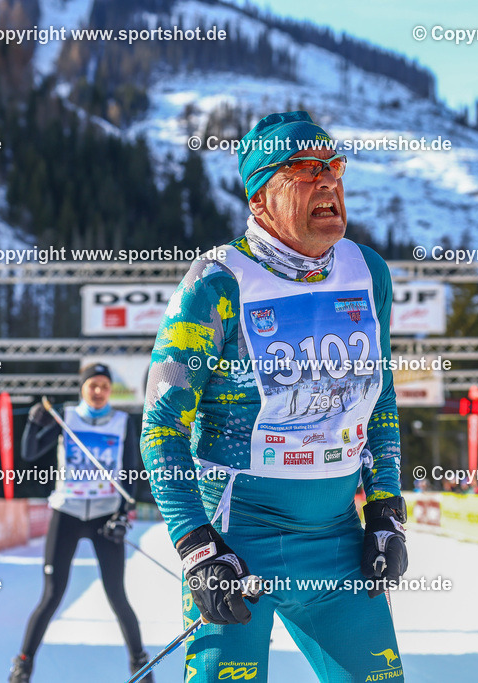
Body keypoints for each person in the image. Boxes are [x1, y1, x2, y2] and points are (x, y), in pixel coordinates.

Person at [141, 111, 408, 682]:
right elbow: (161, 427)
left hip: (338, 539)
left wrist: (386, 507)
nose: (330, 182)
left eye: (335, 166)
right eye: (306, 170)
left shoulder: (369, 273)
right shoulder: (216, 284)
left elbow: (380, 397)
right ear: (261, 193)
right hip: (238, 537)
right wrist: (197, 548)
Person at [8, 364, 153, 683]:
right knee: (52, 595)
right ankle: (23, 665)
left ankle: (140, 666)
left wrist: (122, 514)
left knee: (117, 594)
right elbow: (29, 453)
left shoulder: (121, 421)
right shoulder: (67, 417)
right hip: (68, 512)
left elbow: (131, 470)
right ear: (82, 388)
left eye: (104, 386)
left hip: (105, 515)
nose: (99, 391)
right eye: (93, 385)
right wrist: (34, 422)